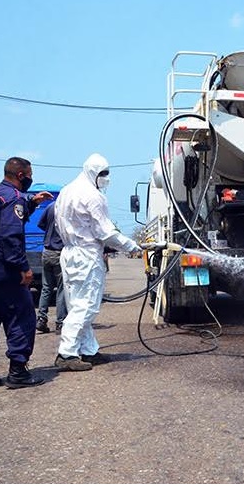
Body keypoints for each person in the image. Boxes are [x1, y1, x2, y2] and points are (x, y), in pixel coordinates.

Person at [0, 157, 54, 390]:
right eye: (29, 174)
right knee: (22, 316)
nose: (30, 178)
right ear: (21, 175)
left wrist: (33, 202)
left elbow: (4, 216)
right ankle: (18, 371)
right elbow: (10, 236)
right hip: (2, 271)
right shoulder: (14, 199)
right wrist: (23, 268)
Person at [54, 153, 142, 371]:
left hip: (70, 253)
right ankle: (67, 353)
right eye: (103, 173)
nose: (106, 178)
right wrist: (131, 246)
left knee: (77, 303)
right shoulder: (93, 196)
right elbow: (105, 232)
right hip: (87, 255)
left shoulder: (66, 191)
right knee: (87, 306)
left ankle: (88, 350)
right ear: (93, 173)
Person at [35, 201, 67, 334]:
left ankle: (41, 319)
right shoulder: (66, 208)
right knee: (61, 289)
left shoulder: (50, 206)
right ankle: (60, 323)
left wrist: (50, 232)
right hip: (59, 252)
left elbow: (40, 224)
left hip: (46, 251)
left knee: (46, 287)